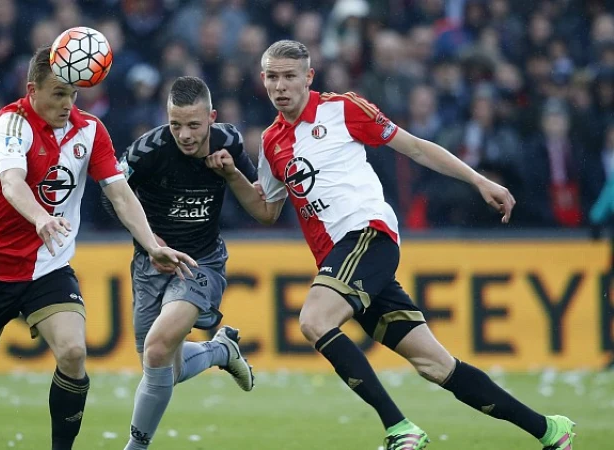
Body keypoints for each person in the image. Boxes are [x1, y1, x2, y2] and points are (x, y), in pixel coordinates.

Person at [205, 39, 576, 450]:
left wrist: (479, 180)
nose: (280, 86)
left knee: (314, 321)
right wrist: (232, 176)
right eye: (272, 77)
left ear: (308, 77)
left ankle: (400, 428)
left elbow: (415, 147)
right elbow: (267, 210)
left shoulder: (343, 109)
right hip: (343, 258)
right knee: (435, 365)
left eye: (290, 76)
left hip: (368, 234)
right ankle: (550, 430)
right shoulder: (273, 142)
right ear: (263, 79)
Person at [0, 46, 197, 450]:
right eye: (58, 94)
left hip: (48, 267)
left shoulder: (90, 130)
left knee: (73, 353)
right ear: (32, 90)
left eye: (73, 95)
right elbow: (12, 183)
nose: (67, 104)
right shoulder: (11, 124)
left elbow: (120, 194)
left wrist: (151, 243)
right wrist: (40, 217)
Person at [103, 76, 256, 450]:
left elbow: (256, 196)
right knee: (161, 370)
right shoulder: (146, 151)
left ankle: (135, 446)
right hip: (150, 266)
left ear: (212, 118)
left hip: (202, 263)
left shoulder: (229, 141)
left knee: (157, 347)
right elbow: (110, 198)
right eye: (176, 125)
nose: (185, 135)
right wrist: (148, 239)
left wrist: (231, 171)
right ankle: (221, 351)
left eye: (194, 125)